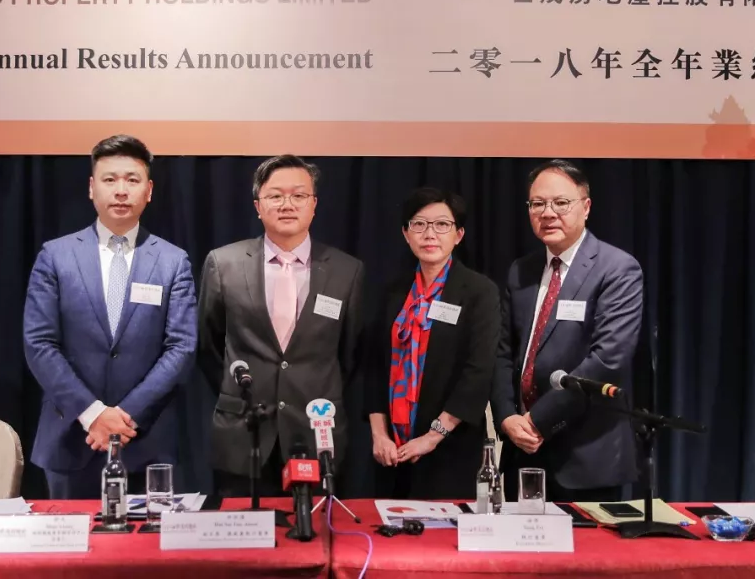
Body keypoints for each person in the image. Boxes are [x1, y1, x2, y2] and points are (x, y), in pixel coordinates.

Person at [23, 135, 197, 499]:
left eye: (132, 180)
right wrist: (93, 414)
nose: (121, 190)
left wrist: (125, 417)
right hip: (72, 438)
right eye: (110, 179)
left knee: (147, 538)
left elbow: (181, 347)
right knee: (71, 538)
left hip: (145, 442)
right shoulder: (55, 256)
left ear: (149, 190)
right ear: (92, 188)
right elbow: (39, 344)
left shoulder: (172, 261)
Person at [197, 154, 365, 497]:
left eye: (299, 195)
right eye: (275, 196)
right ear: (258, 206)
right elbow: (207, 345)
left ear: (314, 204)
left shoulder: (347, 271)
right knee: (241, 529)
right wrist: (242, 388)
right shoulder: (223, 263)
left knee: (314, 530)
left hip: (315, 433)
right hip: (244, 434)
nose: (287, 204)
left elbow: (350, 355)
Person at [491, 159, 642, 503]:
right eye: (537, 204)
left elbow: (607, 360)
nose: (548, 213)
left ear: (585, 207)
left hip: (585, 458)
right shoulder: (522, 270)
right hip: (521, 452)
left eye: (561, 202)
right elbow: (502, 354)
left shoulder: (617, 269)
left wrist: (537, 420)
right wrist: (507, 418)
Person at [366, 188, 500, 500]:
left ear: (458, 234)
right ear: (406, 234)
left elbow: (478, 373)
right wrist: (380, 436)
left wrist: (432, 437)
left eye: (442, 224)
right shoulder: (391, 292)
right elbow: (372, 368)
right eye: (419, 224)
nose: (430, 234)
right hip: (392, 451)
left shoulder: (479, 291)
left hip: (450, 450)